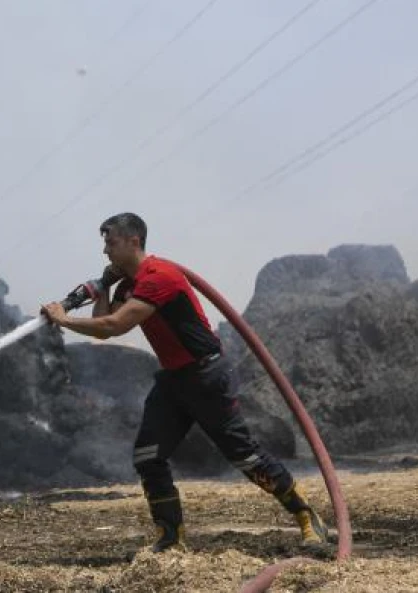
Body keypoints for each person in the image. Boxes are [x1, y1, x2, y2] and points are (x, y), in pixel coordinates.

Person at [39, 212, 329, 553]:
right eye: (104, 244)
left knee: (245, 457)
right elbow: (103, 321)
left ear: (134, 241)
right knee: (148, 457)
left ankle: (308, 517)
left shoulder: (159, 277)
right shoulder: (129, 284)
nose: (105, 251)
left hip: (206, 376)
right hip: (174, 381)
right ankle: (171, 538)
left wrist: (62, 318)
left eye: (111, 242)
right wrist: (103, 286)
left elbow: (112, 326)